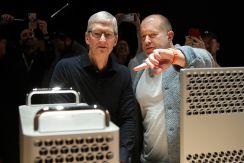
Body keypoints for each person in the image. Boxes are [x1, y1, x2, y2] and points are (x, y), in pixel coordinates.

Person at [49, 11, 137, 163]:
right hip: (74, 153)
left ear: (115, 40)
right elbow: (58, 117)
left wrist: (122, 155)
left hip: (112, 154)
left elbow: (128, 119)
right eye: (97, 33)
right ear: (87, 38)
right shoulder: (65, 68)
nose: (103, 39)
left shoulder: (123, 74)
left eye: (108, 34)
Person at [131, 14, 214, 163]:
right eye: (143, 36)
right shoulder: (141, 71)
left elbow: (206, 58)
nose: (147, 41)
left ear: (169, 36)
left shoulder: (182, 60)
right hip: (147, 159)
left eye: (152, 35)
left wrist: (174, 56)